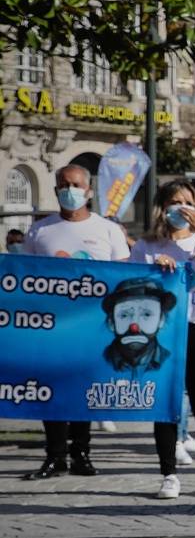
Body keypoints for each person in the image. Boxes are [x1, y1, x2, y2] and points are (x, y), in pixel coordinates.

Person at [19, 163, 129, 480]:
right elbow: (24, 274)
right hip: (50, 325)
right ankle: (55, 455)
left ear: (89, 191)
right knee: (51, 389)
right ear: (55, 191)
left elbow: (124, 278)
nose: (70, 190)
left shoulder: (107, 230)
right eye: (64, 185)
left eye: (76, 185)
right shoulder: (40, 230)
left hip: (94, 325)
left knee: (84, 389)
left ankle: (81, 452)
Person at [130, 181, 195, 499]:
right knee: (167, 403)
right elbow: (132, 287)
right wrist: (157, 271)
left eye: (188, 201)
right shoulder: (147, 245)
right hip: (164, 330)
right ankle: (169, 474)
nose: (181, 208)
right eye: (175, 202)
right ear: (163, 206)